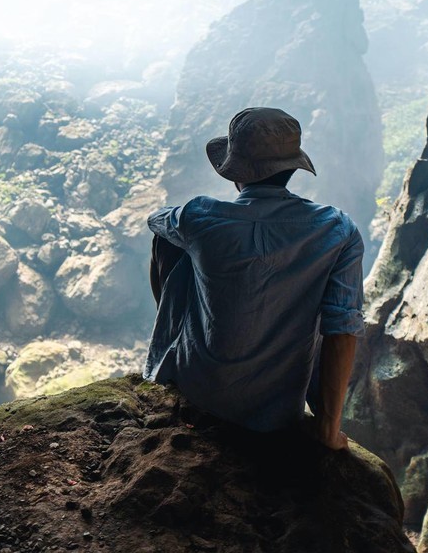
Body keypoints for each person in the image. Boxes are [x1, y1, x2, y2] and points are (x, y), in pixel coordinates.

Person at [144, 107, 366, 450]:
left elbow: (155, 221)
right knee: (329, 298)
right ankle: (321, 418)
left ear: (235, 172)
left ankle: (171, 354)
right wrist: (328, 427)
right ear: (293, 168)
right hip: (276, 411)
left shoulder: (199, 217)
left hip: (197, 391)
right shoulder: (337, 230)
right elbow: (342, 328)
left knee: (169, 242)